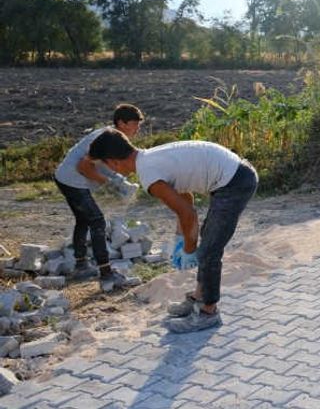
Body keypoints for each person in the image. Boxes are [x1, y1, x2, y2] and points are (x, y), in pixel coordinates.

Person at [88, 130, 258, 333]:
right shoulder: (149, 157)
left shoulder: (148, 173)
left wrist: (188, 249)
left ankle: (208, 312)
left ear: (112, 162)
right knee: (207, 242)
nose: (110, 170)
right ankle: (198, 297)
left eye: (105, 165)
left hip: (234, 183)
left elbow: (188, 214)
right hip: (234, 174)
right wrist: (181, 238)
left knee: (210, 251)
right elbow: (185, 198)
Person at [53, 104, 143, 292]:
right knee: (97, 221)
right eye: (135, 124)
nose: (137, 129)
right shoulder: (104, 137)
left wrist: (118, 180)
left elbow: (102, 165)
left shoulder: (114, 138)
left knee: (84, 219)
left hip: (65, 178)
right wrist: (112, 184)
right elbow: (84, 167)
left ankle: (81, 264)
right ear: (121, 123)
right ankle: (106, 273)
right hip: (72, 180)